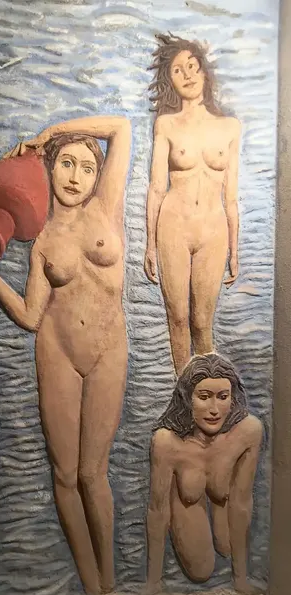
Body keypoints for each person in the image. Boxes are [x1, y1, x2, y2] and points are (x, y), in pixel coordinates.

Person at [0, 115, 132, 595]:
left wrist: (49, 134)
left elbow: (121, 127)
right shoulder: (43, 241)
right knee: (66, 473)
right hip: (58, 352)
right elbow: (31, 316)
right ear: (49, 171)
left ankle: (109, 579)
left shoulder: (107, 208)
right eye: (65, 164)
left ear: (98, 176)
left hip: (108, 349)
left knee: (94, 473)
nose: (75, 177)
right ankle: (92, 584)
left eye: (87, 168)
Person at [144, 34, 242, 375]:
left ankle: (205, 391)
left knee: (202, 320)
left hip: (213, 229)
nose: (186, 74)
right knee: (177, 317)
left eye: (191, 66)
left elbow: (231, 196)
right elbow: (157, 187)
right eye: (177, 70)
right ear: (169, 80)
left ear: (203, 71)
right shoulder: (166, 124)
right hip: (174, 225)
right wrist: (149, 245)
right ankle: (184, 393)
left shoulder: (230, 127)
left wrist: (234, 250)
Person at [144, 353, 263, 595]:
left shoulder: (248, 432)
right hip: (188, 498)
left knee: (227, 546)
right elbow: (158, 510)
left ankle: (217, 510)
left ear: (233, 397)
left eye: (223, 397)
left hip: (224, 497)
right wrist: (153, 581)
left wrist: (240, 579)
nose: (214, 410)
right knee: (201, 570)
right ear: (187, 398)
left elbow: (242, 503)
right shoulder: (167, 442)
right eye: (204, 397)